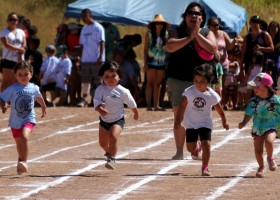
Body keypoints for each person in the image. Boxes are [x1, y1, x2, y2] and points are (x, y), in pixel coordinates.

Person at [165, 2, 217, 160]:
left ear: (202, 18)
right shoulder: (176, 30)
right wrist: (189, 37)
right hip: (178, 78)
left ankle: (198, 147)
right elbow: (170, 47)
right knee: (179, 116)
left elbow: (212, 49)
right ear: (185, 16)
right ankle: (179, 151)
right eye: (191, 13)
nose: (194, 16)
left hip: (200, 81)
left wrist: (198, 35)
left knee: (200, 114)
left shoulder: (207, 32)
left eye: (198, 14)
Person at [174, 64, 229, 176]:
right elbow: (182, 105)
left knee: (207, 144)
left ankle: (205, 168)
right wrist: (177, 120)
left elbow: (219, 109)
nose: (198, 84)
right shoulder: (189, 91)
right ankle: (196, 147)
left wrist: (224, 121)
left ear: (208, 81)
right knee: (190, 148)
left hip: (205, 123)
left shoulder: (212, 95)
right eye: (196, 81)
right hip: (191, 123)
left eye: (202, 81)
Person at [0, 61, 46, 174]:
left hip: (29, 118)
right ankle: (20, 160)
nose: (23, 77)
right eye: (20, 75)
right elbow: (2, 98)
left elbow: (39, 97)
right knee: (18, 142)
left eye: (26, 74)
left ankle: (24, 162)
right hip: (15, 121)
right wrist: (3, 105)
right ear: (15, 75)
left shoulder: (34, 87)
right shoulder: (13, 88)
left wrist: (44, 107)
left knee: (24, 137)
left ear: (31, 74)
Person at [93, 61, 139, 170]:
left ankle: (112, 159)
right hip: (104, 121)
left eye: (113, 76)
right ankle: (109, 152)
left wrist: (136, 113)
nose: (110, 79)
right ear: (102, 77)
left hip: (118, 120)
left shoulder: (123, 91)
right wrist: (101, 110)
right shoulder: (100, 89)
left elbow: (132, 103)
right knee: (102, 143)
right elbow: (96, 103)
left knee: (113, 137)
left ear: (119, 77)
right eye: (107, 76)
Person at [238, 72, 279, 178]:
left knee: (269, 142)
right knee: (258, 150)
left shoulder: (276, 100)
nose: (255, 89)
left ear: (267, 87)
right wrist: (243, 123)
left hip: (271, 126)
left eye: (258, 86)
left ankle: (270, 158)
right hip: (258, 128)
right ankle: (261, 167)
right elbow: (248, 114)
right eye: (254, 86)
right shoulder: (254, 101)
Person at [77, 8, 105, 107]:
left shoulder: (98, 27)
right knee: (85, 80)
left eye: (85, 16)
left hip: (96, 59)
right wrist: (80, 58)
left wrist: (100, 57)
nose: (83, 19)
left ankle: (100, 100)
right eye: (82, 17)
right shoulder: (84, 29)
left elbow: (102, 42)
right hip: (85, 59)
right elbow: (81, 45)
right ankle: (84, 99)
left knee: (98, 80)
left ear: (90, 15)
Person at [144, 13, 170, 111]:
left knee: (158, 84)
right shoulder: (149, 34)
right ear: (153, 24)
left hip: (161, 61)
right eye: (157, 23)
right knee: (150, 83)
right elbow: (145, 49)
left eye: (161, 23)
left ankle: (156, 105)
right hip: (151, 61)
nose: (159, 25)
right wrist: (145, 63)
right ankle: (149, 105)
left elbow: (167, 48)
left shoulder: (166, 34)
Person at [240, 16, 274, 87]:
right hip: (249, 65)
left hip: (261, 65)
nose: (254, 25)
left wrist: (261, 48)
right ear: (250, 24)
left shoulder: (265, 34)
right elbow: (243, 53)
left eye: (257, 23)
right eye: (253, 23)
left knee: (261, 86)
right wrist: (241, 69)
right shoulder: (247, 37)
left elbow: (272, 48)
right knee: (249, 87)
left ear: (259, 24)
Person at [0, 12, 26, 92]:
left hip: (18, 60)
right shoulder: (4, 32)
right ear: (7, 21)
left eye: (14, 19)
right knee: (6, 82)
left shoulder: (21, 32)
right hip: (8, 60)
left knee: (16, 82)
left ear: (17, 21)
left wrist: (21, 51)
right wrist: (19, 50)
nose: (12, 21)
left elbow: (24, 43)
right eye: (10, 19)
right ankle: (2, 101)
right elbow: (6, 45)